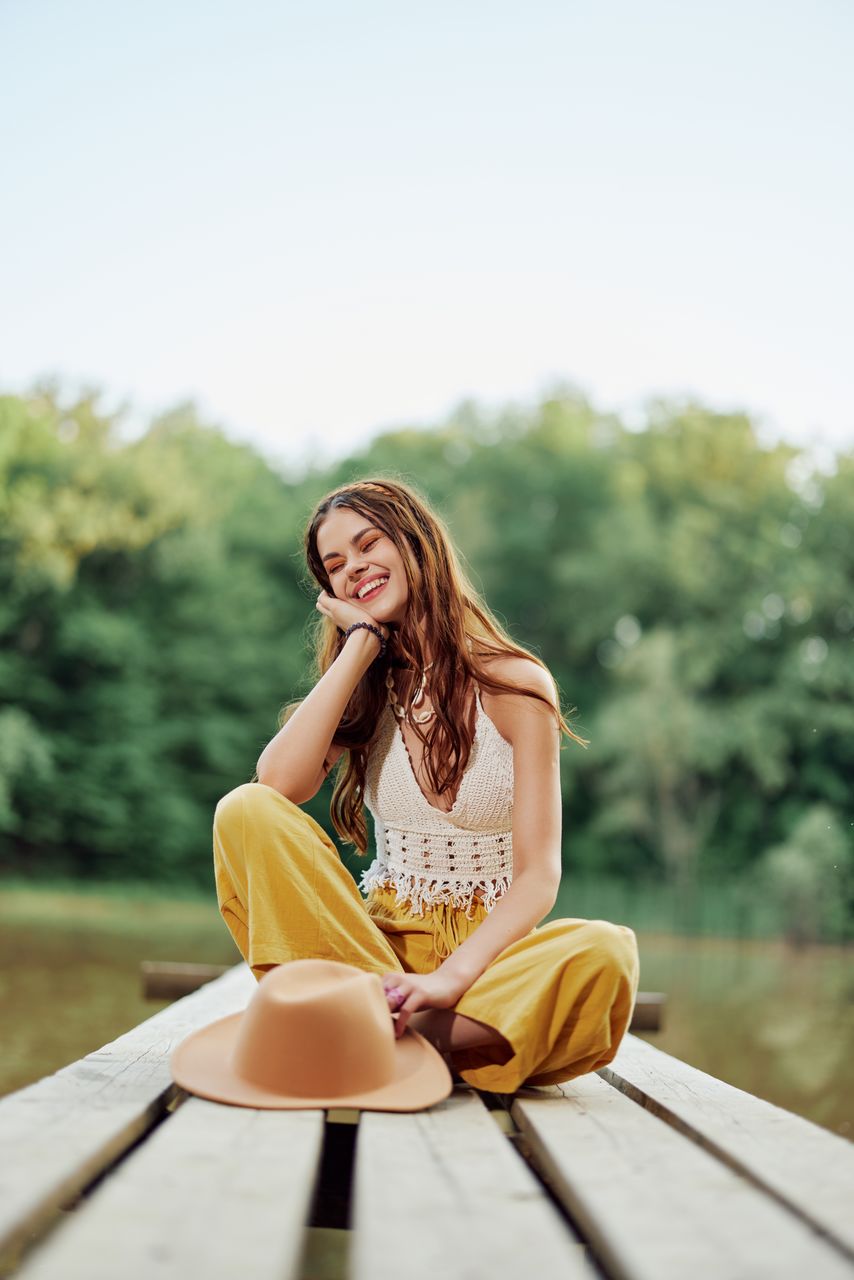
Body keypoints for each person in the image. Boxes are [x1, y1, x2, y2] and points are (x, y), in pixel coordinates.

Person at [212, 478, 640, 1092]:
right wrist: (360, 648)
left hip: (485, 967)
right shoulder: (364, 689)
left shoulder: (516, 684)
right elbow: (277, 782)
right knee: (245, 810)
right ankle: (412, 1037)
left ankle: (376, 1037)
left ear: (416, 543)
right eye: (336, 566)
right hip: (373, 959)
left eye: (368, 544)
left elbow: (540, 876)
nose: (354, 569)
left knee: (604, 952)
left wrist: (448, 981)